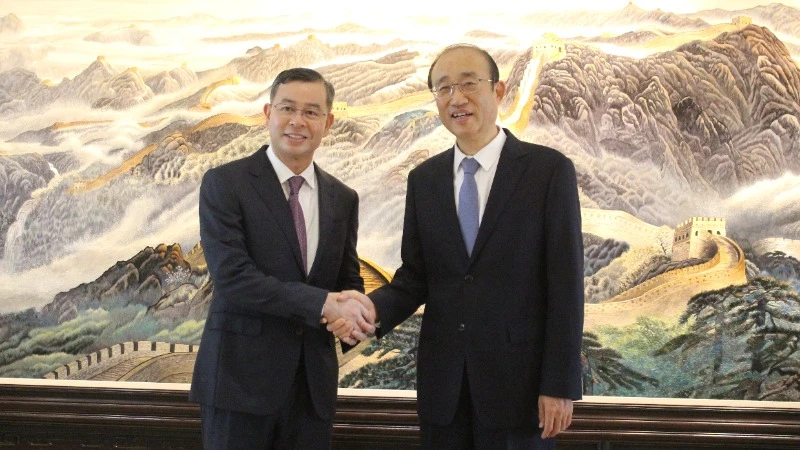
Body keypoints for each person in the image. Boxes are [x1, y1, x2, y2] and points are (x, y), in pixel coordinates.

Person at [333, 44, 584, 449]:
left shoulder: (547, 171)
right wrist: (369, 312)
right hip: (443, 389)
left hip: (520, 389)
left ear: (499, 91)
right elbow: (415, 279)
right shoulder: (424, 180)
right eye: (443, 88)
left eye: (469, 84)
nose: (456, 98)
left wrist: (559, 384)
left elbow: (566, 284)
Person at [190, 67, 375, 449]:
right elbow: (233, 278)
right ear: (267, 114)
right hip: (238, 387)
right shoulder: (225, 184)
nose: (297, 121)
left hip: (312, 391)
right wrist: (324, 304)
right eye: (287, 108)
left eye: (311, 112)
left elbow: (348, 279)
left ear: (328, 122)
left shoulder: (342, 198)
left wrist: (353, 316)